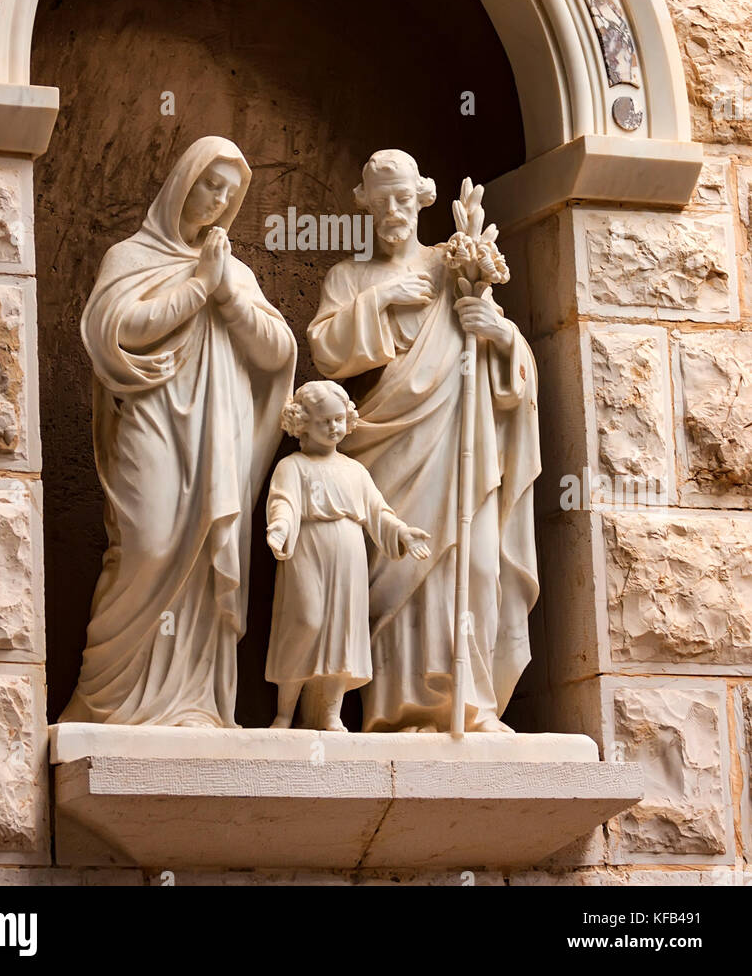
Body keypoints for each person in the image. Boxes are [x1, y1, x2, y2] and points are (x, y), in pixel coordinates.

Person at [61, 136, 297, 727]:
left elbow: (276, 355)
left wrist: (230, 298)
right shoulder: (131, 258)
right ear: (181, 183)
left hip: (218, 437)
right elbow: (120, 329)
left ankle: (192, 701)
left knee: (201, 560)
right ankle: (104, 701)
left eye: (228, 192)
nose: (216, 200)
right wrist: (198, 287)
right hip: (152, 424)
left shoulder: (232, 271)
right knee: (148, 544)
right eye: (208, 184)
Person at [307, 149, 540, 733]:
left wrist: (502, 336)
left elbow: (506, 369)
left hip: (460, 444)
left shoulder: (452, 265)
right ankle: (397, 712)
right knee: (400, 572)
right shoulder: (349, 277)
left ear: (422, 199)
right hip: (387, 447)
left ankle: (471, 703)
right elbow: (327, 352)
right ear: (365, 204)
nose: (394, 211)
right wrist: (381, 300)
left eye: (403, 198)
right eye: (382, 200)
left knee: (476, 563)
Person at [265, 380, 430, 731]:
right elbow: (284, 502)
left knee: (343, 630)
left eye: (339, 419)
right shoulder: (292, 466)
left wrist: (401, 531)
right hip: (307, 549)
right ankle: (284, 711)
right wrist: (279, 527)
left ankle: (330, 713)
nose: (335, 427)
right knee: (305, 621)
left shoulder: (355, 471)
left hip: (348, 554)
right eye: (325, 421)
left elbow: (377, 511)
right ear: (303, 423)